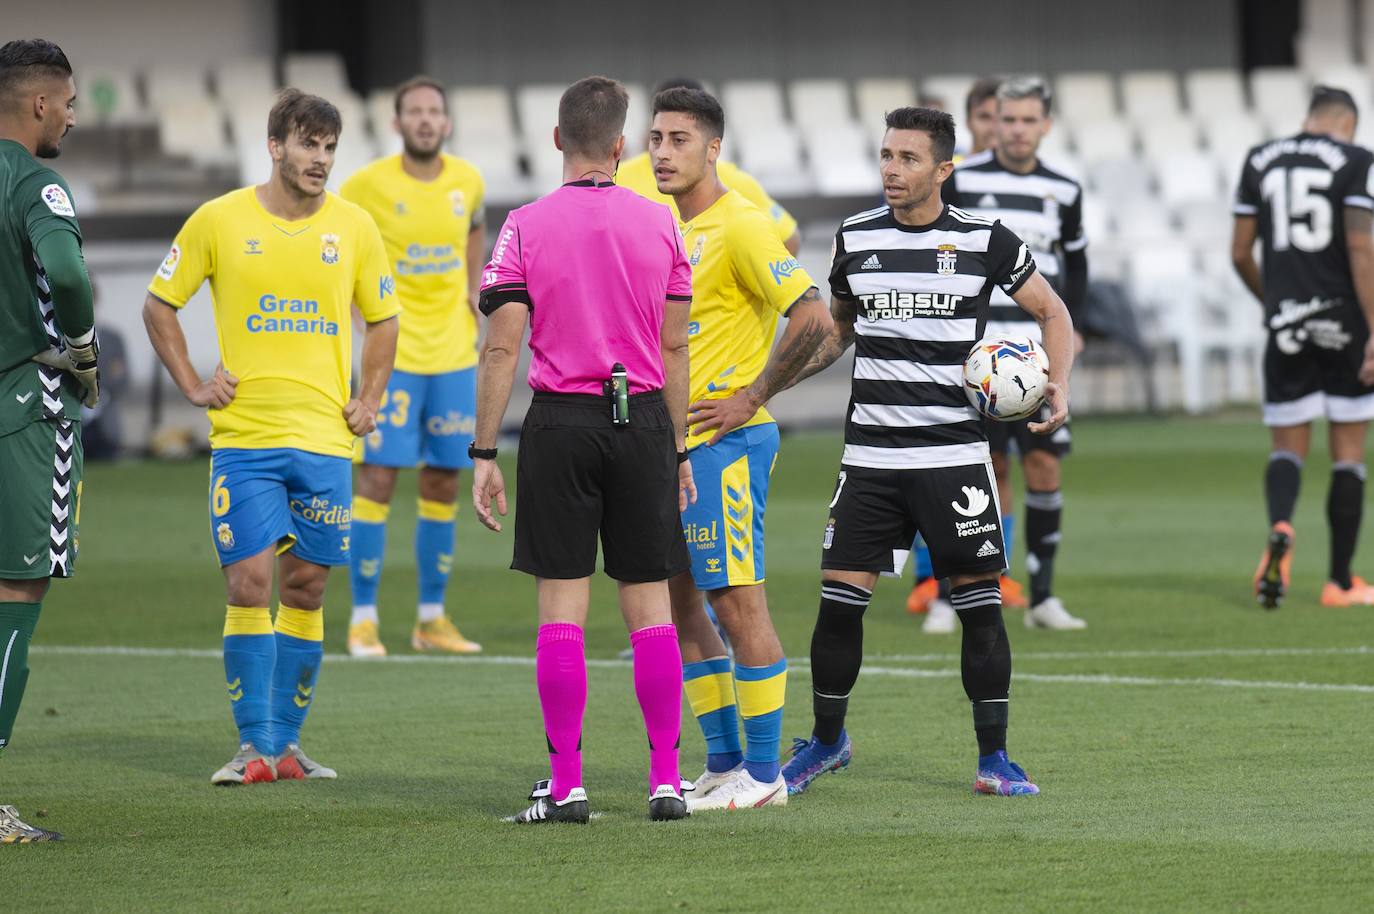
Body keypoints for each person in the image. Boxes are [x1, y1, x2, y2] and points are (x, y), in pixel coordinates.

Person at [780, 106, 1073, 799]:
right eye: (885, 155)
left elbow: (1052, 311)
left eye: (908, 158)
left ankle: (994, 759)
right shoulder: (854, 237)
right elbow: (839, 332)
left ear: (945, 169)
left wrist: (1057, 382)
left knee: (979, 607)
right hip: (872, 460)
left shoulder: (986, 240)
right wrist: (771, 386)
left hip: (953, 459)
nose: (891, 169)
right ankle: (827, 741)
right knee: (838, 606)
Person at [143, 89, 400, 785]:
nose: (320, 160)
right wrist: (194, 384)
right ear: (275, 146)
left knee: (308, 587)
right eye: (308, 144)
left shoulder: (354, 227)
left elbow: (383, 320)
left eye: (329, 148)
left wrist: (369, 397)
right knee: (250, 583)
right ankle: (251, 745)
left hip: (323, 439)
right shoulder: (219, 220)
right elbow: (159, 304)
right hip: (245, 438)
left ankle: (286, 747)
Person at [472, 75, 696, 824]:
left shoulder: (524, 225)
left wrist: (482, 454)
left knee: (562, 610)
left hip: (561, 423)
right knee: (651, 608)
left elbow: (501, 350)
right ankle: (666, 780)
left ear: (559, 139)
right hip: (643, 425)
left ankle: (567, 784)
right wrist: (681, 451)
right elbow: (673, 344)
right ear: (623, 146)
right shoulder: (661, 223)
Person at [650, 87, 831, 812]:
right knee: (682, 600)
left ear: (713, 148)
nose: (662, 152)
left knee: (736, 601)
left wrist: (754, 395)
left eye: (679, 139)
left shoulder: (743, 226)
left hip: (728, 444)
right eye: (656, 138)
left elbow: (814, 319)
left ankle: (764, 775)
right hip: (672, 448)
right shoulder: (665, 226)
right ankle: (725, 763)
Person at [930, 76, 1088, 634]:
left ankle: (1043, 596)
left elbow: (1075, 269)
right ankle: (959, 596)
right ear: (992, 122)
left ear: (1045, 125)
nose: (1017, 130)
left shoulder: (1065, 189)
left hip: (1040, 358)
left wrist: (1077, 328)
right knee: (983, 472)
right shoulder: (965, 180)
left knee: (1043, 466)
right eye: (1008, 119)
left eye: (1028, 120)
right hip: (980, 362)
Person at [341, 76, 485, 657]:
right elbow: (338, 238)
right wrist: (356, 310)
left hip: (453, 354)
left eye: (434, 112)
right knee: (376, 479)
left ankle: (431, 619)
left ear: (446, 123)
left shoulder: (467, 180)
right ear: (397, 124)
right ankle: (363, 617)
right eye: (414, 112)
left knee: (443, 481)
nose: (425, 120)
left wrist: (475, 294)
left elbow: (475, 231)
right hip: (392, 357)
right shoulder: (366, 184)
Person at [0, 38, 94, 845]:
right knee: (12, 598)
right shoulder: (34, 181)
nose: (72, 113)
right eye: (67, 100)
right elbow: (65, 273)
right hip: (17, 411)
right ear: (38, 103)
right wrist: (84, 348)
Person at [1232, 85, 1374, 608]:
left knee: (1287, 446)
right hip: (1345, 322)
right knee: (1348, 456)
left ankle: (1282, 526)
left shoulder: (1260, 158)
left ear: (1310, 116)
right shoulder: (1357, 160)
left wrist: (1274, 302)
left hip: (1287, 321)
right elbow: (1360, 246)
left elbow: (1240, 252)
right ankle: (1340, 580)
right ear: (1347, 124)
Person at [908, 74, 1008, 620]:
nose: (997, 128)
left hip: (1009, 357)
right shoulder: (955, 184)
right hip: (951, 349)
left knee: (996, 464)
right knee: (926, 467)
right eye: (988, 117)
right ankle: (931, 582)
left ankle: (987, 574)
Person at [616, 78, 801, 256]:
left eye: (680, 139)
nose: (664, 151)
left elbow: (789, 239)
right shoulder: (617, 178)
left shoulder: (735, 181)